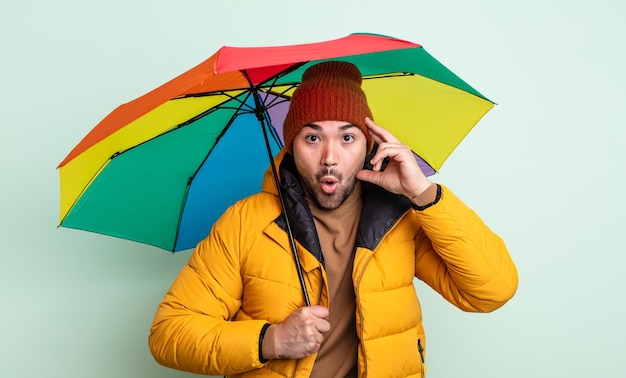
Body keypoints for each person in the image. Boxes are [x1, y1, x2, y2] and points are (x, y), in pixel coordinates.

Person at [148, 61, 518, 377]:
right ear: (291, 146)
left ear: (370, 144)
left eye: (347, 137)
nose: (329, 156)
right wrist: (270, 340)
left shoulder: (399, 215)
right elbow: (169, 333)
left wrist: (424, 194)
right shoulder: (244, 222)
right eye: (312, 138)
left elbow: (492, 291)